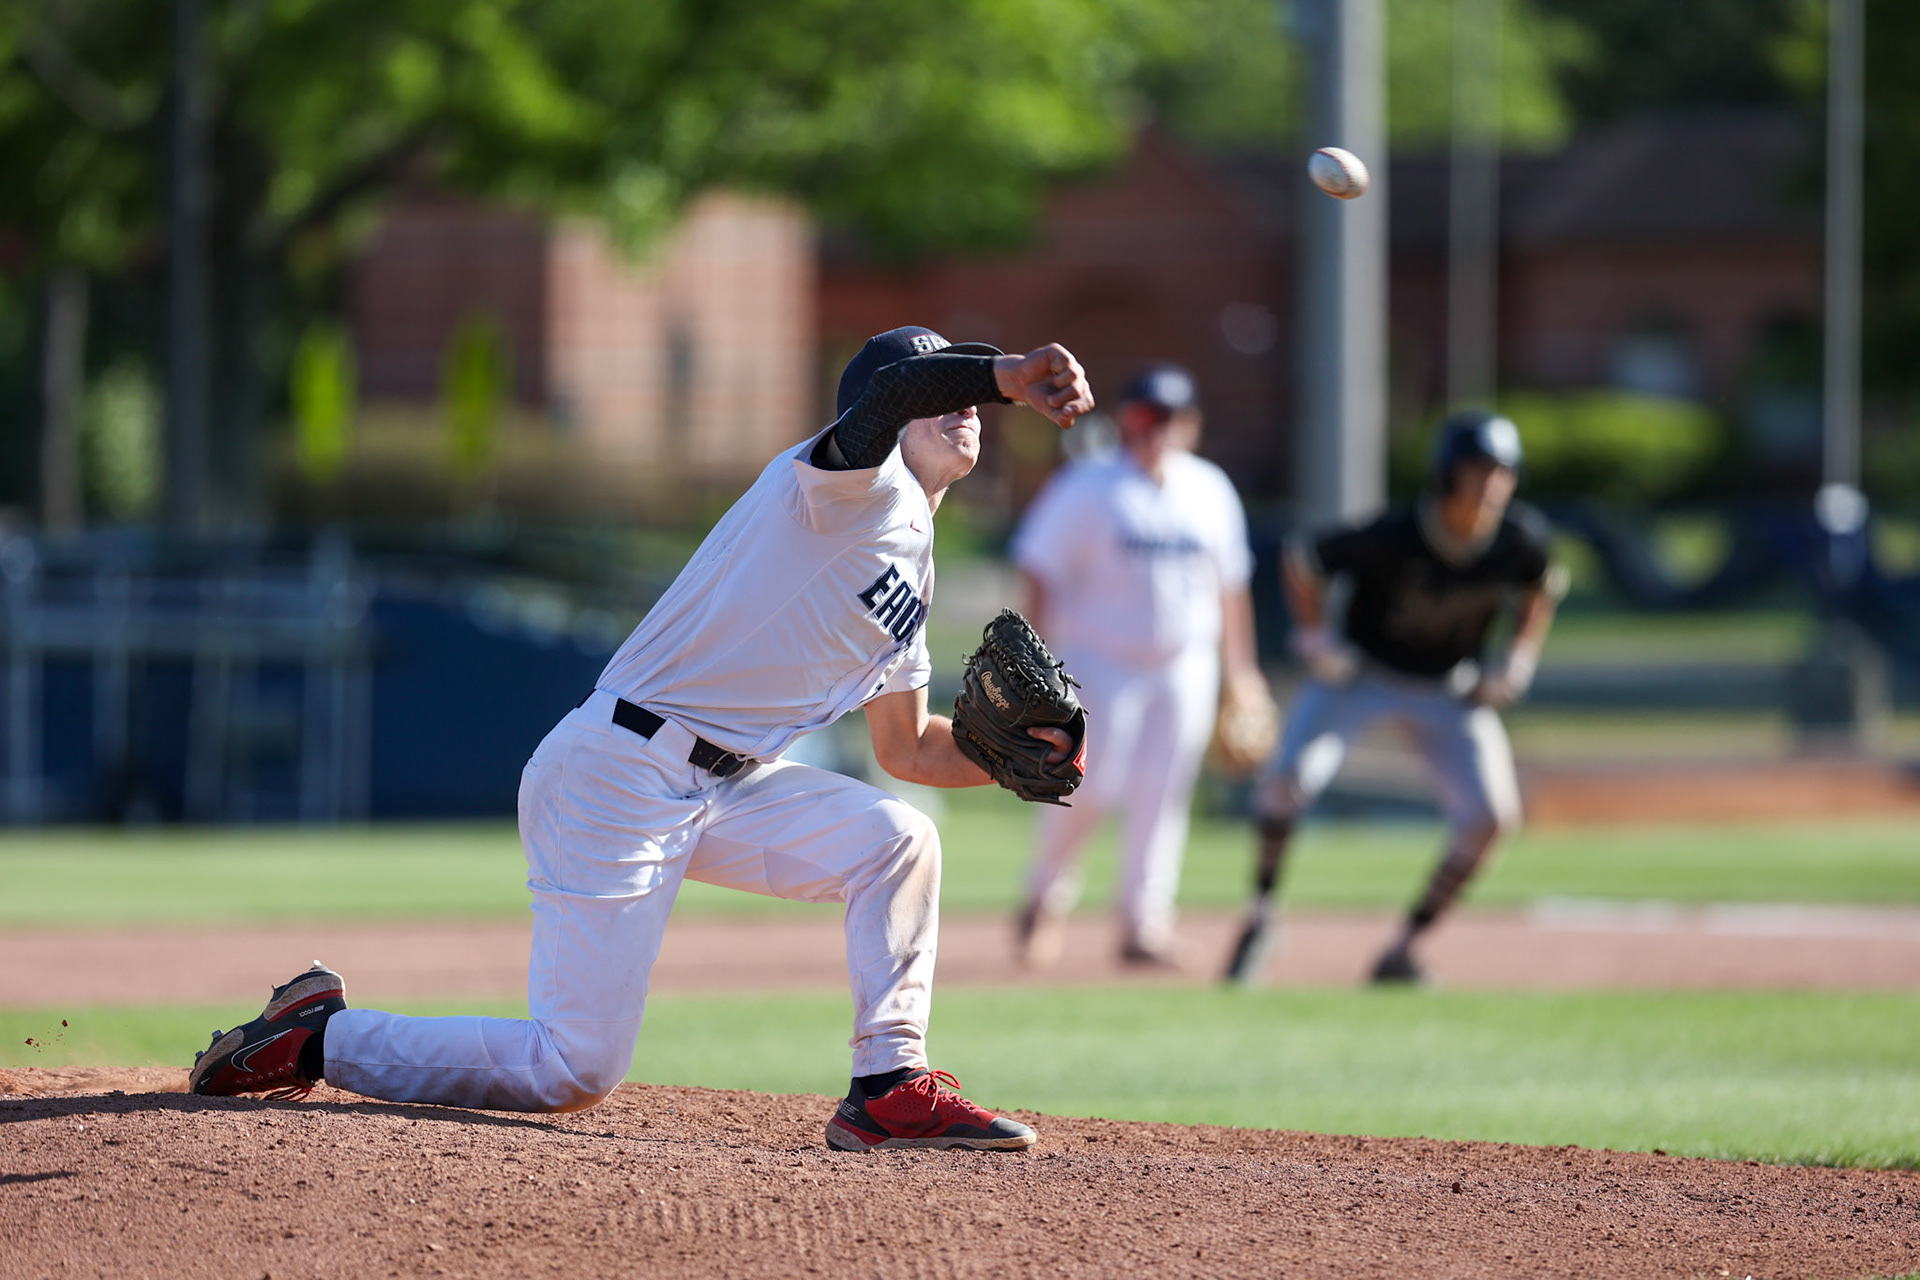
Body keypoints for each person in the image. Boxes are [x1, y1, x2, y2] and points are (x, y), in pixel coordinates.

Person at [189, 325, 1094, 1152]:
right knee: (571, 1070)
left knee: (898, 837)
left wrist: (1018, 756)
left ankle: (888, 1086)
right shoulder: (845, 487)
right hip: (619, 772)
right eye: (949, 392)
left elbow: (908, 752)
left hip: (727, 787)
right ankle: (319, 1037)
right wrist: (1009, 373)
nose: (964, 407)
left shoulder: (914, 567)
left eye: (970, 399)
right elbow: (897, 388)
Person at [1224, 410, 1565, 986]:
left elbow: (1543, 587)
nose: (1491, 486)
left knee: (1491, 818)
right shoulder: (1396, 534)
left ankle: (1403, 949)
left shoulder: (1519, 538)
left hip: (1448, 683)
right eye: (1477, 471)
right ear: (1447, 474)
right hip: (1364, 675)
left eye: (1502, 473)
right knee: (1286, 780)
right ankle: (1260, 917)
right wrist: (1315, 637)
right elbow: (1302, 559)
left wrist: (1518, 658)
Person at [1010, 364, 1264, 967]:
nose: (1155, 430)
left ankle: (1143, 925)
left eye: (1169, 419)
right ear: (1126, 421)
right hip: (1100, 660)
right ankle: (1044, 897)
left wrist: (1243, 674)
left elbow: (1231, 587)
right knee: (1090, 786)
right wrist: (1037, 668)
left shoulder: (1208, 488)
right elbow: (1039, 568)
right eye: (1146, 417)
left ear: (1191, 425)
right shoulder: (1089, 486)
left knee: (1163, 794)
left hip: (1184, 664)